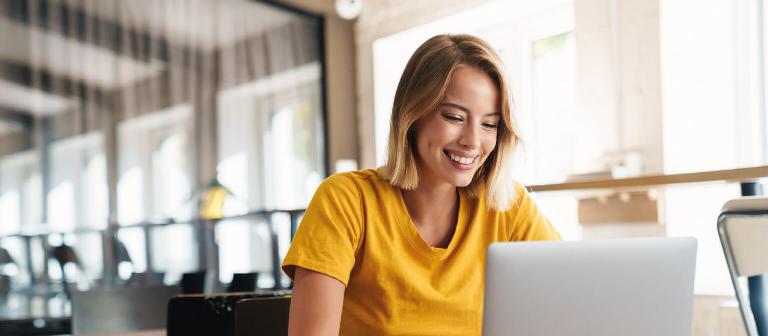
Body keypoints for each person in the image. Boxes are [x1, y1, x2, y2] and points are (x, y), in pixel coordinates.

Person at [281, 34, 561, 336]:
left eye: (489, 124)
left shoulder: (508, 207)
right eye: (454, 117)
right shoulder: (347, 200)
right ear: (412, 115)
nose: (473, 142)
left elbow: (571, 298)